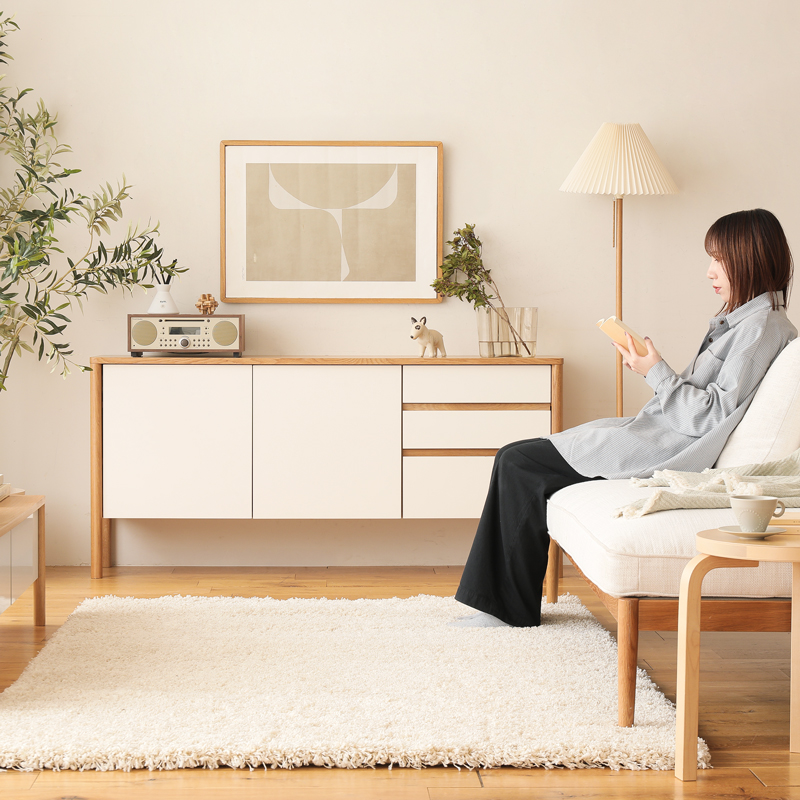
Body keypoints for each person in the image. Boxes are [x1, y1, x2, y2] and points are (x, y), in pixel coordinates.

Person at [453, 208, 797, 628]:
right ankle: (502, 605)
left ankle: (504, 611)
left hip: (668, 446)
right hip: (657, 432)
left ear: (750, 259)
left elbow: (710, 417)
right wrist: (652, 368)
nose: (710, 271)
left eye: (719, 259)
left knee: (517, 461)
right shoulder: (746, 322)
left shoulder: (761, 328)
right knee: (518, 456)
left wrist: (656, 370)